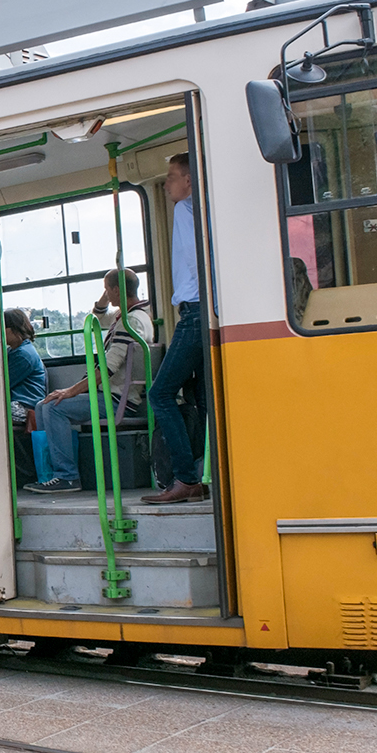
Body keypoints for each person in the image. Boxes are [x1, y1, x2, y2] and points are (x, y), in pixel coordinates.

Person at [26, 269, 154, 494]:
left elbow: (107, 370)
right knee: (42, 405)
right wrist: (107, 294)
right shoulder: (136, 315)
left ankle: (67, 476)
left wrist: (70, 392)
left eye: (108, 289)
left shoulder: (130, 321)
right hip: (115, 395)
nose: (106, 294)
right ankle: (50, 473)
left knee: (53, 407)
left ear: (116, 290)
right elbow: (98, 317)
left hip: (115, 400)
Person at [143, 154, 208, 505]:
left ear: (187, 180)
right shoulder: (203, 209)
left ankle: (185, 478)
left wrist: (199, 302)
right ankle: (206, 472)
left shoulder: (185, 209)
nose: (167, 184)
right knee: (201, 397)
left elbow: (194, 260)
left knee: (161, 394)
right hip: (205, 311)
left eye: (171, 177)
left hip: (195, 311)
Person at [4, 309, 47, 424]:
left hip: (25, 406)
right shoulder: (15, 351)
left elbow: (3, 383)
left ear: (13, 329)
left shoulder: (23, 355)